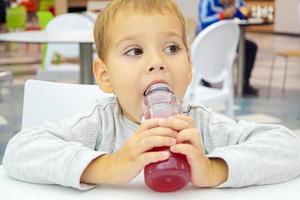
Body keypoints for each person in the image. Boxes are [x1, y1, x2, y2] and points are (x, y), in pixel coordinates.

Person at [3, 0, 300, 190]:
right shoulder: (100, 124)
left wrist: (214, 169)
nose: (158, 62)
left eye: (172, 48)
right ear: (105, 75)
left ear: (189, 67)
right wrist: (110, 165)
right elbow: (19, 150)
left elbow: (289, 148)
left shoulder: (201, 126)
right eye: (135, 51)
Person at [197, 0, 259, 96]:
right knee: (210, 50)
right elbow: (203, 22)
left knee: (250, 47)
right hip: (209, 39)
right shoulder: (207, 1)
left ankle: (244, 82)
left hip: (230, 39)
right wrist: (221, 16)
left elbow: (243, 16)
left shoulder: (237, 2)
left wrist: (246, 13)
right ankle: (204, 80)